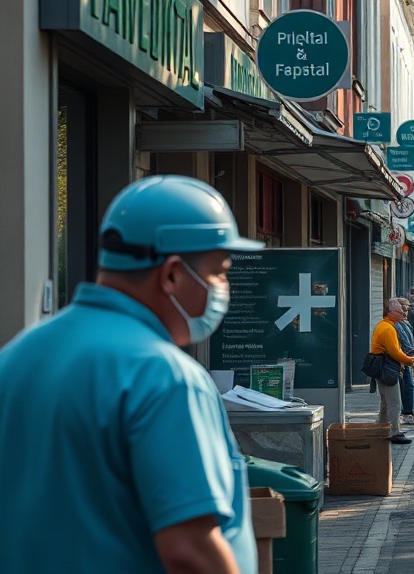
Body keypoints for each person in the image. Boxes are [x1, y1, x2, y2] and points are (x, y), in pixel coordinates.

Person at [0, 175, 263, 573]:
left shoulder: (17, 357)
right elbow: (189, 549)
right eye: (219, 272)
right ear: (172, 274)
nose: (222, 287)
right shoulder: (165, 376)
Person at [372, 298, 414, 444]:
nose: (402, 313)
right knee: (394, 402)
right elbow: (395, 351)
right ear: (390, 312)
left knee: (386, 402)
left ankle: (381, 428)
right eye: (399, 311)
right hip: (387, 368)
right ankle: (394, 432)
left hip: (382, 367)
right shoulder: (388, 329)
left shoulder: (385, 325)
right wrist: (410, 361)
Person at [395, 298, 414, 428]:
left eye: (407, 310)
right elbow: (404, 344)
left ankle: (407, 412)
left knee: (407, 386)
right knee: (407, 386)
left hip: (407, 359)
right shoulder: (396, 325)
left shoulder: (405, 323)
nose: (405, 313)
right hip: (402, 360)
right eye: (403, 310)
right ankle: (406, 413)